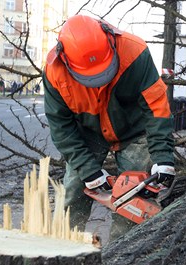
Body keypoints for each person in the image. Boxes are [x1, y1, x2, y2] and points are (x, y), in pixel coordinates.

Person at [42, 15, 175, 241]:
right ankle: (62, 250)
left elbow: (156, 108)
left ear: (111, 40)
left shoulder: (135, 52)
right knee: (73, 193)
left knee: (133, 202)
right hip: (88, 132)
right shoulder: (54, 72)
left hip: (133, 131)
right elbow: (61, 127)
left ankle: (119, 256)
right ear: (65, 59)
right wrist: (88, 170)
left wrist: (163, 158)